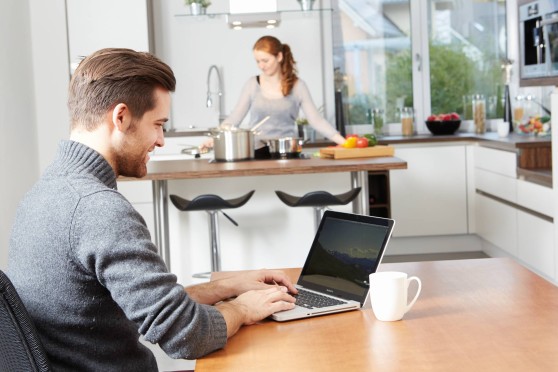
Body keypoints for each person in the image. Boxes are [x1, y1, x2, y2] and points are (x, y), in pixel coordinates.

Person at [7, 48, 297, 371]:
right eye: (158, 124)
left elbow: (154, 305)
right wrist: (242, 309)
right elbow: (185, 333)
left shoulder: (44, 191)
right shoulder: (98, 209)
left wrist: (226, 287)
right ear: (121, 117)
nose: (160, 140)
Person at [202, 35, 346, 158]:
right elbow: (234, 119)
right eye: (258, 61)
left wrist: (345, 143)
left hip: (288, 151)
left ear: (279, 56)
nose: (261, 66)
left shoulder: (298, 86)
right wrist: (215, 139)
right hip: (257, 151)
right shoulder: (252, 84)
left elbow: (317, 121)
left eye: (265, 60)